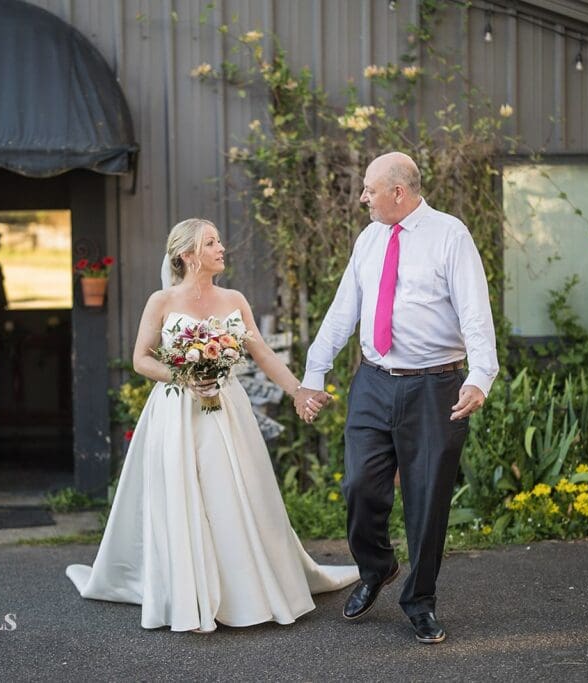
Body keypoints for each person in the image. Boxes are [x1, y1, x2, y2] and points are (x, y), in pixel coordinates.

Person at [66, 218, 358, 633]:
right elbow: (141, 359)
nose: (222, 248)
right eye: (211, 242)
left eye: (219, 240)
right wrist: (185, 376)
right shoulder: (161, 302)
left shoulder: (234, 299)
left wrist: (298, 391)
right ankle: (189, 592)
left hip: (227, 410)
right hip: (175, 412)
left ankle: (242, 591)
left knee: (232, 492)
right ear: (187, 255)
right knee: (184, 494)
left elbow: (262, 354)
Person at [295, 152, 499, 644]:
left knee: (427, 499)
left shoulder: (450, 235)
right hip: (374, 379)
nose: (362, 196)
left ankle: (420, 600)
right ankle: (376, 566)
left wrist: (481, 375)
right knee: (360, 485)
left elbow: (475, 311)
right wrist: (314, 373)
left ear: (398, 193)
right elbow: (344, 310)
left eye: (369, 188)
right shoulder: (368, 239)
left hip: (436, 385)